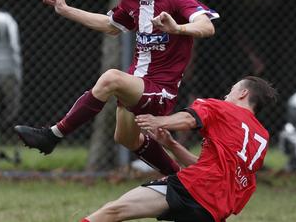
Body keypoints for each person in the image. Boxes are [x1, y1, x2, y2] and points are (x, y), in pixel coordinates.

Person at [14, 0, 219, 175]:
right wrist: (65, 9)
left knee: (111, 78)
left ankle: (52, 135)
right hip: (137, 83)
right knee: (126, 138)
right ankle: (181, 181)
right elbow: (110, 25)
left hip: (161, 90)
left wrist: (178, 29)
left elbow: (207, 26)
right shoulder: (132, 0)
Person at [79, 76, 277, 222]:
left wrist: (159, 120)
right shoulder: (261, 138)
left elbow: (190, 118)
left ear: (243, 93)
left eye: (232, 89)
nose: (227, 94)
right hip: (216, 208)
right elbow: (214, 168)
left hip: (193, 189)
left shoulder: (221, 108)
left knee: (114, 211)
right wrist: (171, 144)